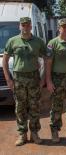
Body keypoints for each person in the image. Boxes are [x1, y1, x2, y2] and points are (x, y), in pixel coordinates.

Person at [2, 17, 46, 146]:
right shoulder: (12, 41)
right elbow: (5, 60)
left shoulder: (38, 42)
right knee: (20, 107)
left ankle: (34, 133)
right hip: (18, 78)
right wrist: (8, 79)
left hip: (34, 78)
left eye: (27, 25)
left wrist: (43, 78)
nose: (25, 27)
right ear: (19, 26)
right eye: (23, 25)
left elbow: (46, 58)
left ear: (31, 26)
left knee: (34, 106)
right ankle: (22, 134)